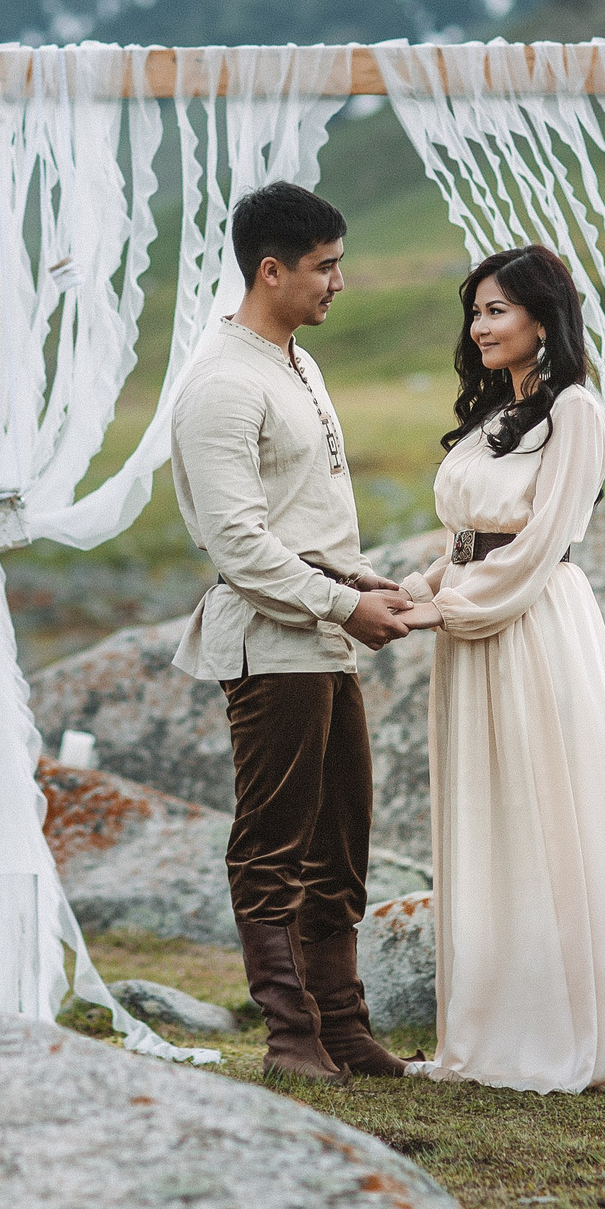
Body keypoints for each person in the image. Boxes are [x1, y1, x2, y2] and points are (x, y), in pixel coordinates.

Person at [395, 243, 605, 1094]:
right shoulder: (494, 413)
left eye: (497, 309)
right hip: (471, 624)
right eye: (476, 310)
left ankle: (564, 1029)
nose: (480, 325)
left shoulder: (576, 413)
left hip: (529, 626)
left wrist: (450, 607)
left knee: (544, 811)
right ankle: (492, 1026)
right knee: (487, 818)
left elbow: (540, 544)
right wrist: (412, 589)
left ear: (544, 318)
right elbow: (466, 537)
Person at [169, 182, 418, 1084]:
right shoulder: (221, 386)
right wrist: (341, 602)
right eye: (324, 266)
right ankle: (289, 1038)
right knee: (274, 842)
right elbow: (237, 542)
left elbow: (295, 516)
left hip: (323, 632)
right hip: (272, 646)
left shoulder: (295, 363)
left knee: (341, 836)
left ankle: (343, 1028)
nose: (339, 282)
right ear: (269, 271)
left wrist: (356, 580)